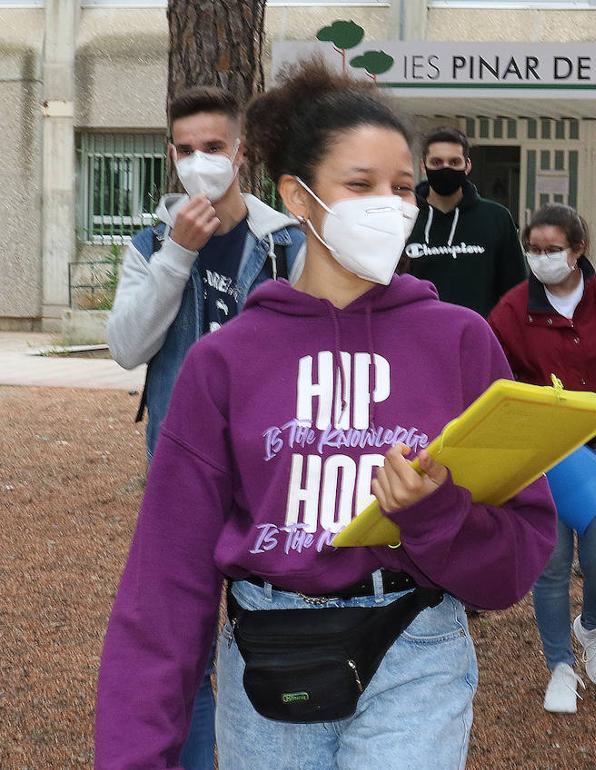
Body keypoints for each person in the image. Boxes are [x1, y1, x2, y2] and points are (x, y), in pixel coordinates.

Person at [95, 59, 556, 770]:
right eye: (362, 185)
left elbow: (514, 564)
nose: (393, 206)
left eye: (403, 188)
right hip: (269, 652)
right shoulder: (226, 361)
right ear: (298, 198)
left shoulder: (460, 342)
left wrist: (436, 515)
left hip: (416, 644)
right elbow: (166, 584)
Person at [104, 85, 306, 770]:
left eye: (213, 148)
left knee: (269, 637)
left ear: (241, 154)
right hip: (181, 478)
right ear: (170, 155)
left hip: (271, 484)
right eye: (186, 150)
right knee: (178, 651)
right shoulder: (150, 244)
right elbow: (127, 345)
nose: (200, 163)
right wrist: (177, 257)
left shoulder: (287, 246)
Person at [487, 203, 596, 716]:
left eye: (554, 250)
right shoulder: (511, 309)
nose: (543, 259)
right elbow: (495, 379)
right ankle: (560, 665)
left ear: (579, 250)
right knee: (550, 567)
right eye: (535, 250)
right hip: (543, 456)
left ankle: (592, 627)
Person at [402, 126, 527, 317]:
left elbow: (515, 291)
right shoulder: (403, 217)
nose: (445, 168)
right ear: (422, 165)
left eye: (454, 162)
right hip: (416, 338)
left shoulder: (497, 218)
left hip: (478, 339)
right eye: (436, 162)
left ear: (467, 165)